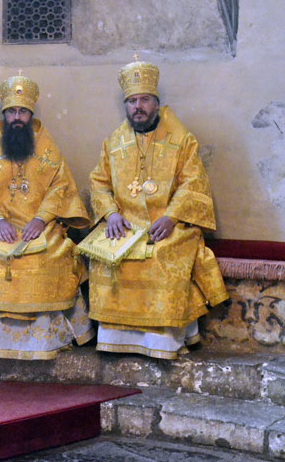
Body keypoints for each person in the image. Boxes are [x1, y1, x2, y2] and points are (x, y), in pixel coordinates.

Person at [88, 57, 228, 359]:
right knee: (106, 259)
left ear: (156, 103)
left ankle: (162, 342)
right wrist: (111, 214)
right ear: (126, 106)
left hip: (166, 225)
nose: (138, 107)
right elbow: (98, 183)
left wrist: (171, 217)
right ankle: (117, 339)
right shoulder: (114, 142)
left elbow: (193, 183)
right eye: (132, 101)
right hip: (125, 225)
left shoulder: (181, 139)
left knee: (163, 256)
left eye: (144, 100)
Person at [0, 74, 93, 359]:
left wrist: (41, 218)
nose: (17, 118)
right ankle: (1, 341)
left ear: (30, 114)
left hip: (41, 225)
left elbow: (60, 186)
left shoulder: (47, 146)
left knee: (51, 253)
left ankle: (46, 340)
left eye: (22, 111)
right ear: (4, 114)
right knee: (0, 260)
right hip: (1, 227)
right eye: (12, 111)